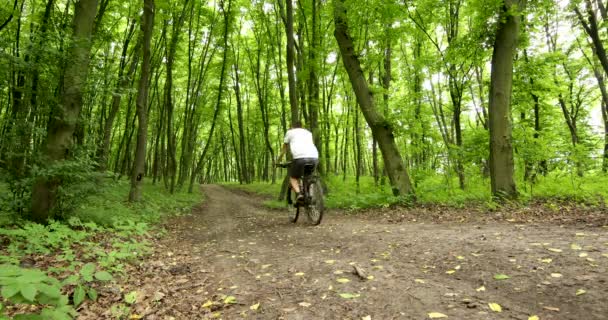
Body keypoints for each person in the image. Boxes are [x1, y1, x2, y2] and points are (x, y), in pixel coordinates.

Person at [276, 121, 319, 203]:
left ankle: (299, 194)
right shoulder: (308, 133)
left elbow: (284, 149)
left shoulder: (290, 132)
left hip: (299, 158)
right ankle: (311, 196)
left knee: (293, 178)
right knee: (308, 176)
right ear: (301, 126)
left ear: (292, 126)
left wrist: (278, 161)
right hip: (314, 157)